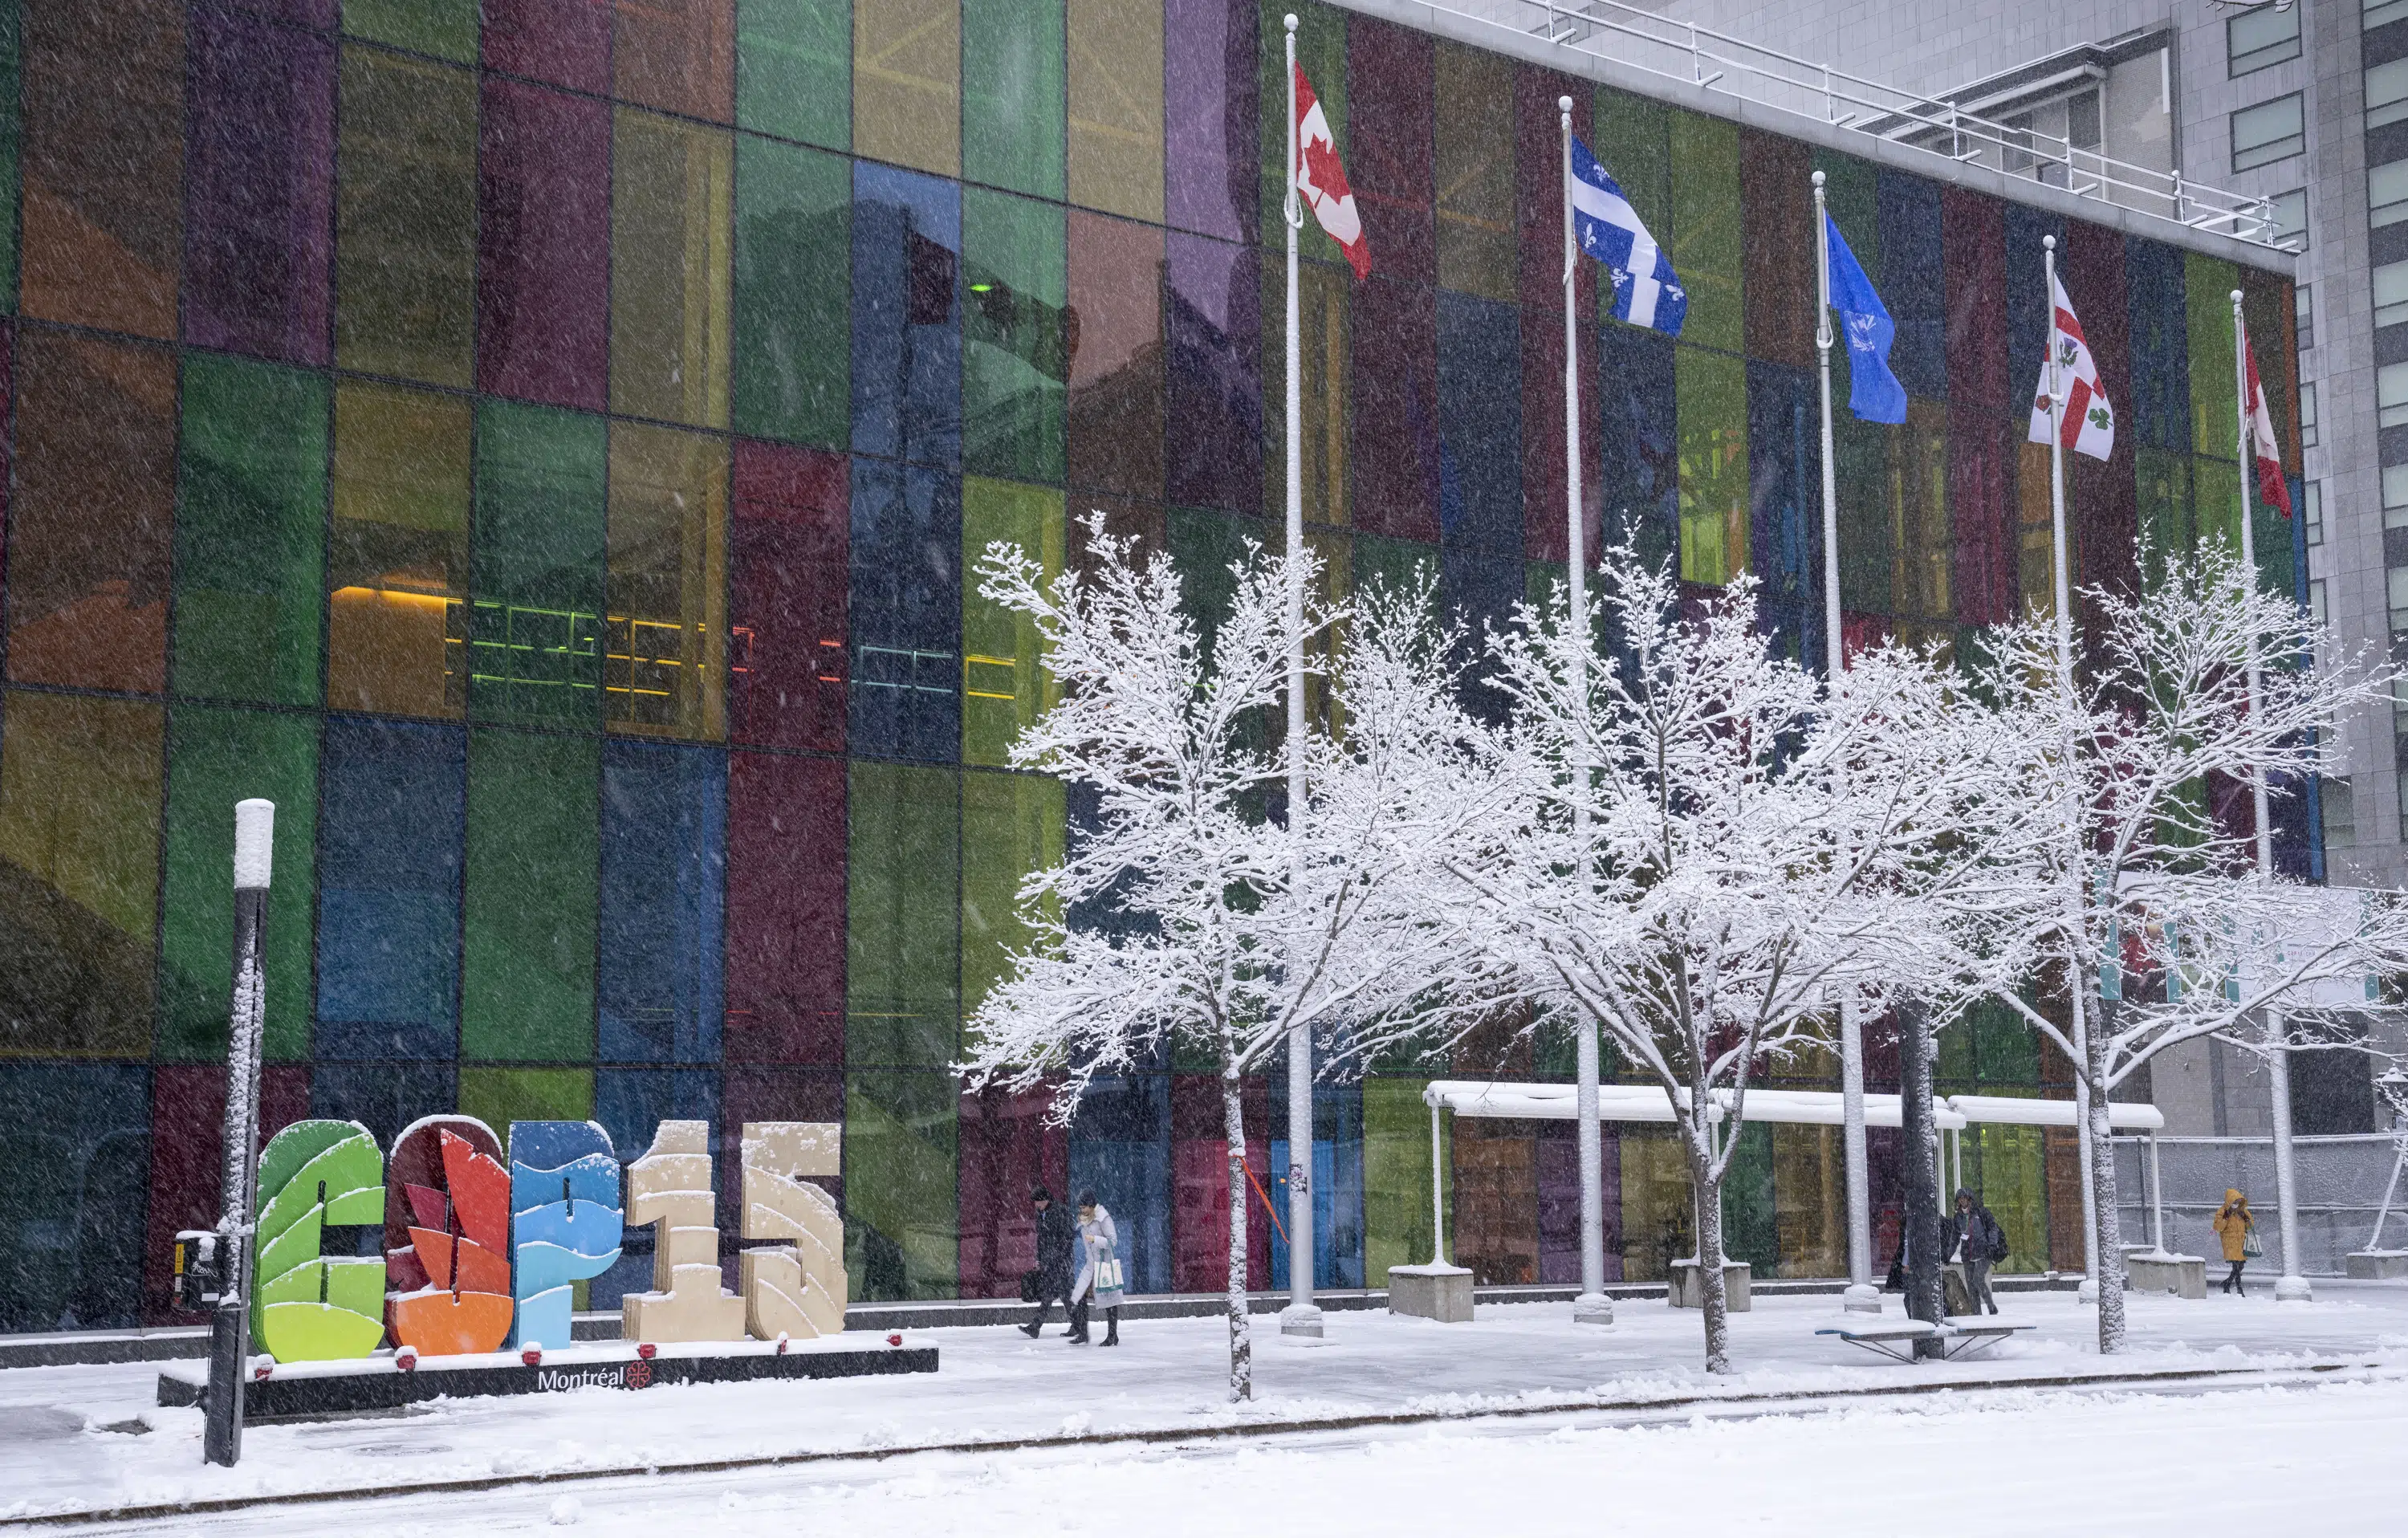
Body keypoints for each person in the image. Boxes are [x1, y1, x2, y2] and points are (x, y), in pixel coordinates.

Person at [1020, 1186, 1078, 1337]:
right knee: (1063, 1294)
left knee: (1050, 1294)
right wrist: (1040, 1259)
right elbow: (1041, 1238)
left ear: (1046, 1199)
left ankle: (1035, 1326)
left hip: (1061, 1261)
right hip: (1049, 1261)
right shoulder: (1041, 1213)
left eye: (1038, 1202)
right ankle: (1077, 1324)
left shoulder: (1060, 1211)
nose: (1036, 1205)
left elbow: (1068, 1237)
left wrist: (1057, 1256)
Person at [1068, 1191, 1125, 1346]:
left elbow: (1113, 1241)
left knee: (1110, 1301)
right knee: (1079, 1295)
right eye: (1080, 1207)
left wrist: (1096, 1239)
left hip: (1104, 1265)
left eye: (1085, 1207)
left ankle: (1112, 1335)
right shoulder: (1083, 1221)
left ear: (1092, 1206)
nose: (1082, 1210)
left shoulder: (1103, 1218)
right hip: (1090, 1266)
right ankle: (1083, 1333)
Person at [1942, 1188, 2007, 1316]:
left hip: (1984, 1253)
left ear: (1970, 1199)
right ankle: (1977, 1315)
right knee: (1971, 1287)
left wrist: (1992, 1245)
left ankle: (1991, 1306)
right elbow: (1954, 1239)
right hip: (1968, 1255)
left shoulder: (1981, 1213)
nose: (1963, 1201)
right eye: (1960, 1199)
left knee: (1978, 1280)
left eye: (1965, 1198)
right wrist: (1948, 1255)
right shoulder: (1958, 1218)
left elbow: (1993, 1228)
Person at [2213, 1188, 2255, 1296]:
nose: (2236, 1204)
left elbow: (2250, 1226)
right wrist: (2226, 1217)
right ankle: (2239, 1289)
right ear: (2229, 1201)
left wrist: (2246, 1219)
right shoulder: (2222, 1211)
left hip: (2241, 1243)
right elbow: (2218, 1227)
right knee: (2236, 1267)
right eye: (2234, 1202)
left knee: (2241, 1266)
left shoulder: (2243, 1211)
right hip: (2230, 1243)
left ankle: (2227, 1283)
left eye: (2238, 1202)